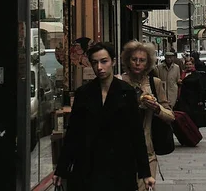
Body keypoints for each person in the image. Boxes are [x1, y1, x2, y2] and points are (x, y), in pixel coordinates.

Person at [52, 41, 154, 191]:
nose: (99, 67)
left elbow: (136, 134)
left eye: (104, 61)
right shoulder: (83, 93)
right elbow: (73, 133)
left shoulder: (126, 92)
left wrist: (145, 173)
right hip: (88, 167)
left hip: (119, 168)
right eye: (95, 62)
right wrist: (61, 169)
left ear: (113, 62)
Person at [121, 41, 174, 191]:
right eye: (134, 59)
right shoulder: (119, 82)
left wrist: (157, 109)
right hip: (122, 150)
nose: (137, 63)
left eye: (142, 60)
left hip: (147, 151)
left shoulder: (154, 83)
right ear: (127, 61)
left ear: (148, 63)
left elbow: (171, 116)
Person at [175, 56, 206, 127]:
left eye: (190, 64)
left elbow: (201, 88)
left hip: (193, 101)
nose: (188, 66)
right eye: (187, 64)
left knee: (193, 120)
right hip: (183, 100)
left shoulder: (197, 75)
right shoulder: (183, 74)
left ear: (193, 65)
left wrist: (200, 100)